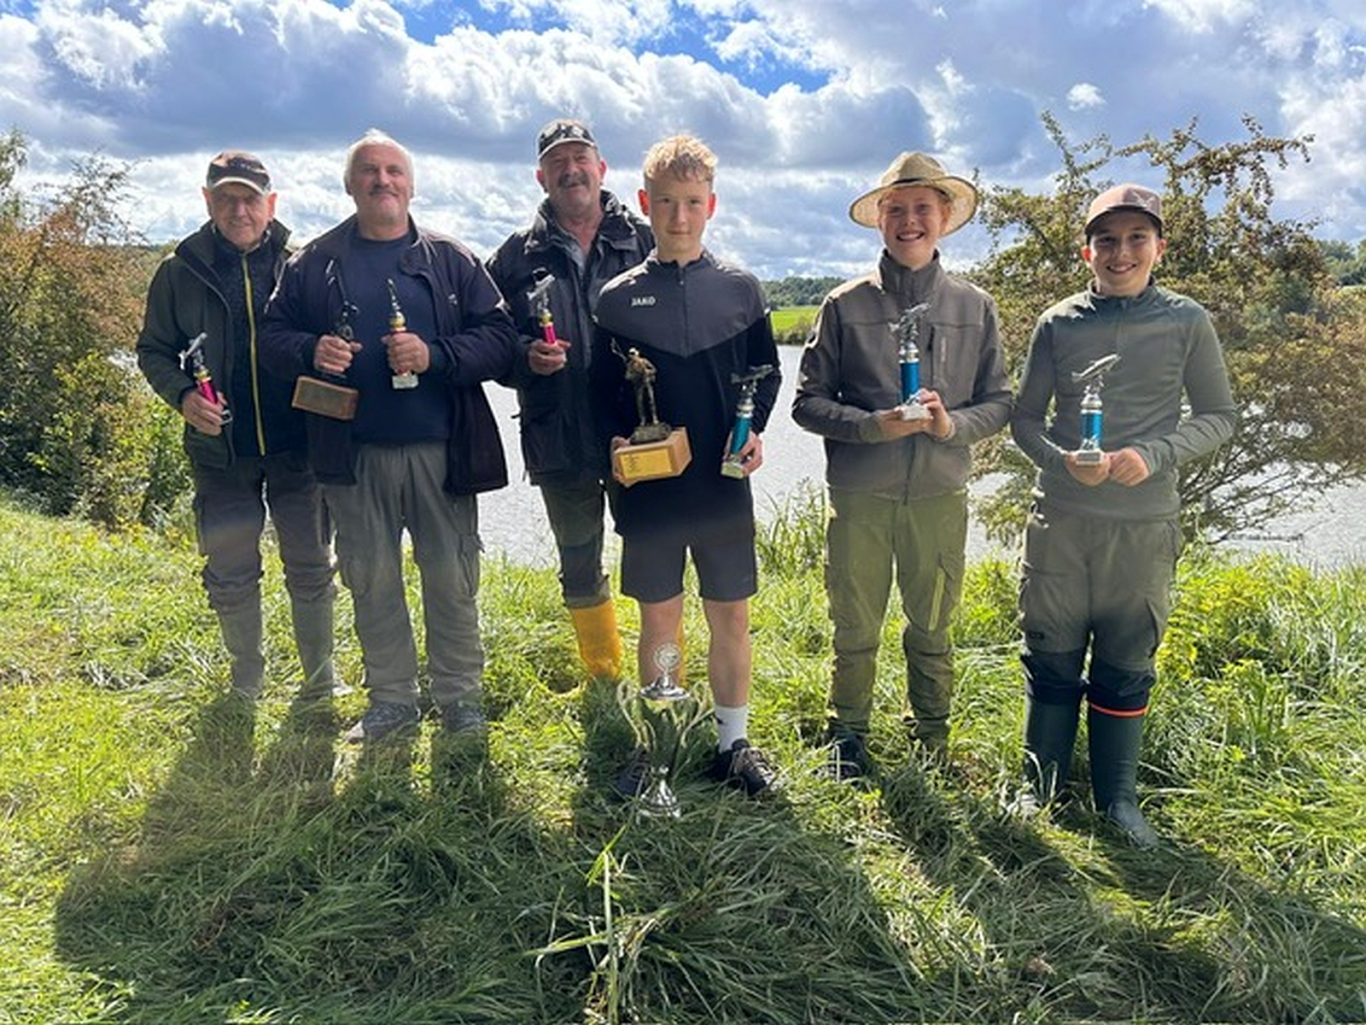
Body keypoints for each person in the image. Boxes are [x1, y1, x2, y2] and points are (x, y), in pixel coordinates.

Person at [260, 129, 518, 743]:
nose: (383, 181)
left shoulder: (451, 260)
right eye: (369, 172)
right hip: (353, 456)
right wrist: (310, 350)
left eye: (394, 171)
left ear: (411, 185)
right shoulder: (313, 263)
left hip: (442, 451)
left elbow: (502, 339)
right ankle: (392, 702)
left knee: (451, 579)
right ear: (350, 185)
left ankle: (460, 700)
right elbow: (270, 339)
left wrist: (436, 355)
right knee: (370, 579)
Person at [1010, 183, 1236, 846]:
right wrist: (1061, 462)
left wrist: (1155, 455)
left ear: (1160, 247)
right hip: (1061, 519)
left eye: (1137, 238)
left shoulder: (1187, 321)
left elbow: (1220, 416)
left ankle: (1118, 800)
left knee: (1127, 659)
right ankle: (1039, 788)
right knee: (1050, 654)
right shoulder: (1058, 323)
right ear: (1087, 251)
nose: (1121, 252)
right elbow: (1025, 420)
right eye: (1106, 240)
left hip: (1142, 525)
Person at [792, 152, 1011, 778]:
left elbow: (1000, 402)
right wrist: (870, 426)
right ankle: (848, 739)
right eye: (896, 209)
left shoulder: (975, 306)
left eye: (922, 208)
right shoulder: (842, 305)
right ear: (880, 219)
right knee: (855, 624)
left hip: (940, 496)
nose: (909, 221)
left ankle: (932, 740)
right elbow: (806, 404)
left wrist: (950, 426)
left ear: (944, 217)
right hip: (861, 498)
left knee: (934, 623)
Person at [592, 134, 781, 796]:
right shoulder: (616, 298)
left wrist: (754, 432)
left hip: (723, 485)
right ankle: (660, 744)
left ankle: (733, 744)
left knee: (731, 617)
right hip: (651, 490)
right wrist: (612, 446)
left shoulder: (740, 290)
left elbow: (766, 374)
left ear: (712, 206)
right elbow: (599, 396)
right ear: (645, 203)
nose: (680, 216)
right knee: (661, 620)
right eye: (667, 202)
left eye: (693, 202)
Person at [136, 150, 335, 705]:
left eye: (249, 198)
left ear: (271, 203)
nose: (238, 210)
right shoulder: (179, 272)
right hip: (220, 454)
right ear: (207, 201)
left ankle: (320, 682)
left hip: (298, 449)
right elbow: (153, 350)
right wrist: (182, 397)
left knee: (312, 567)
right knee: (230, 572)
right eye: (226, 198)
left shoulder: (302, 267)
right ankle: (246, 681)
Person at [487, 118, 653, 682]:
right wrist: (522, 358)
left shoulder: (646, 241)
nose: (571, 170)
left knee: (654, 553)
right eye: (557, 162)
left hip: (640, 432)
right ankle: (603, 676)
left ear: (601, 168)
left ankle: (662, 671)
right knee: (579, 561)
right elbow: (487, 342)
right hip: (557, 434)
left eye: (580, 158)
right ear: (541, 177)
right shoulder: (513, 258)